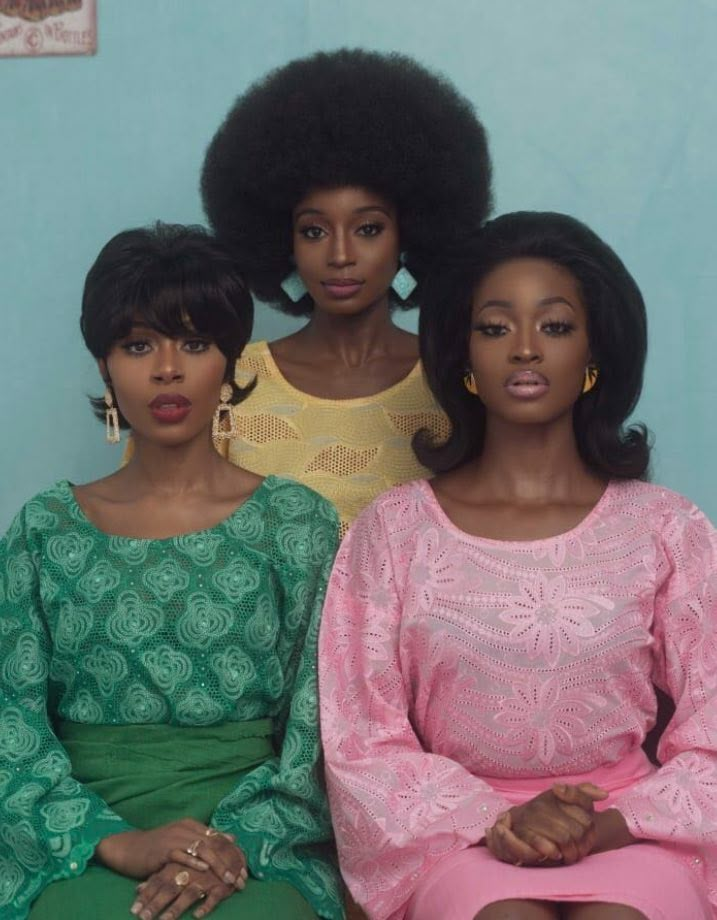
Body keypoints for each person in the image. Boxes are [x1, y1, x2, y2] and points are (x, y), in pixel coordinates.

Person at [318, 212, 717, 920]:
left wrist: (605, 825)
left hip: (632, 827)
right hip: (455, 838)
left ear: (594, 352)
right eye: (495, 328)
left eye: (555, 327)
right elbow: (361, 738)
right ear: (462, 357)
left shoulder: (665, 527)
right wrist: (494, 822)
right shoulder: (394, 531)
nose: (525, 349)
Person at [0, 224, 343, 920]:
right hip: (81, 838)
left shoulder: (296, 525)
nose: (166, 369)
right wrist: (112, 841)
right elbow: (12, 724)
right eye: (137, 345)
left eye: (193, 343)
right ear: (104, 365)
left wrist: (233, 843)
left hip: (250, 840)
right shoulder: (45, 530)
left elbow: (322, 727)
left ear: (229, 360)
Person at [200, 48, 492, 533]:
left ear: (409, 237)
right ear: (283, 242)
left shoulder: (457, 378)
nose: (339, 254)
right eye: (314, 231)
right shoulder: (228, 382)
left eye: (368, 229)